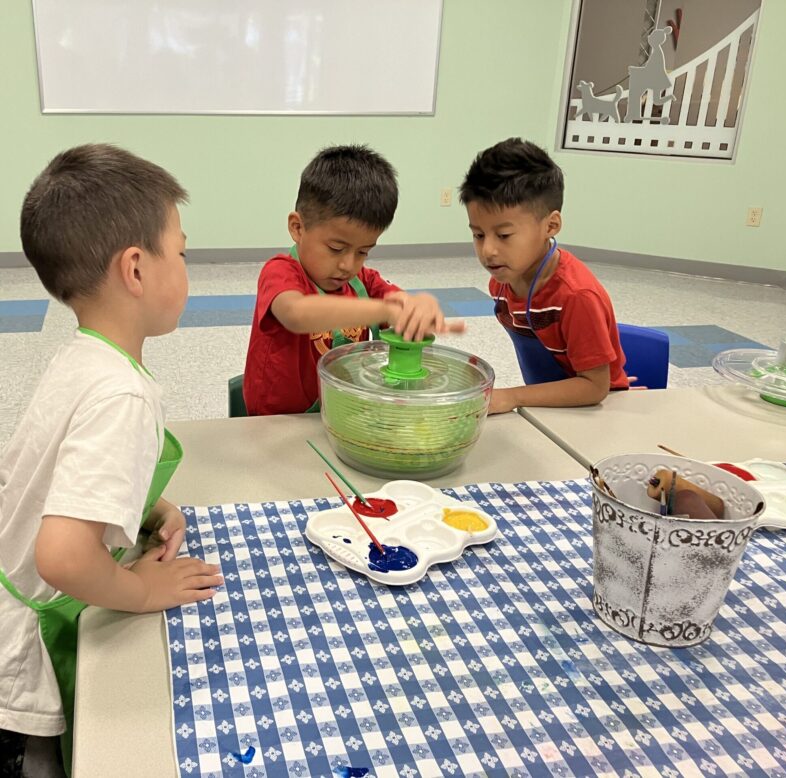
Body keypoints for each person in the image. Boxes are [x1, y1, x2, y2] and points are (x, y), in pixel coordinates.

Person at [0, 144, 222, 776]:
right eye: (180, 252)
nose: (185, 266)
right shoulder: (120, 394)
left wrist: (137, 502)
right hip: (24, 656)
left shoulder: (82, 356)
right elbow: (64, 557)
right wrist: (141, 590)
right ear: (135, 269)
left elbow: (46, 471)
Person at [243, 144, 464, 416]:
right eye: (336, 248)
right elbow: (296, 314)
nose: (349, 265)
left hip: (339, 411)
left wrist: (418, 307)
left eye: (363, 252)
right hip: (277, 421)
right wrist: (384, 310)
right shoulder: (280, 272)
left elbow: (400, 303)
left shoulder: (363, 283)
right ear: (298, 228)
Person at [459, 137, 628, 413]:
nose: (488, 250)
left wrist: (512, 396)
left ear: (551, 225)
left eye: (504, 235)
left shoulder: (575, 297)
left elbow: (596, 387)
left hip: (597, 410)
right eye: (478, 234)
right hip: (552, 405)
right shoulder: (503, 280)